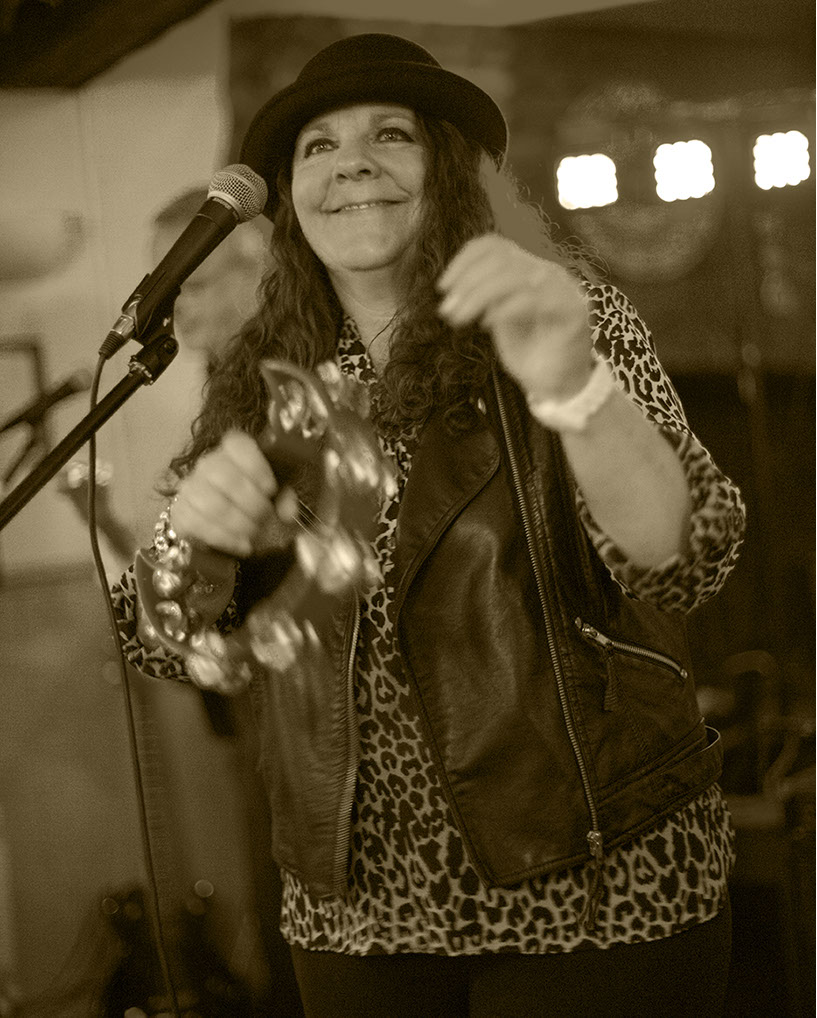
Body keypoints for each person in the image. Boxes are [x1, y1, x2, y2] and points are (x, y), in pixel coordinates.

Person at [112, 33, 747, 1018]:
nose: (350, 163)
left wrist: (574, 389)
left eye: (389, 135)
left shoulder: (563, 317)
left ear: (445, 169)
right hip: (356, 910)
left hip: (593, 880)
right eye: (318, 146)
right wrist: (189, 546)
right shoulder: (263, 377)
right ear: (291, 199)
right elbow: (163, 644)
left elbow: (685, 558)